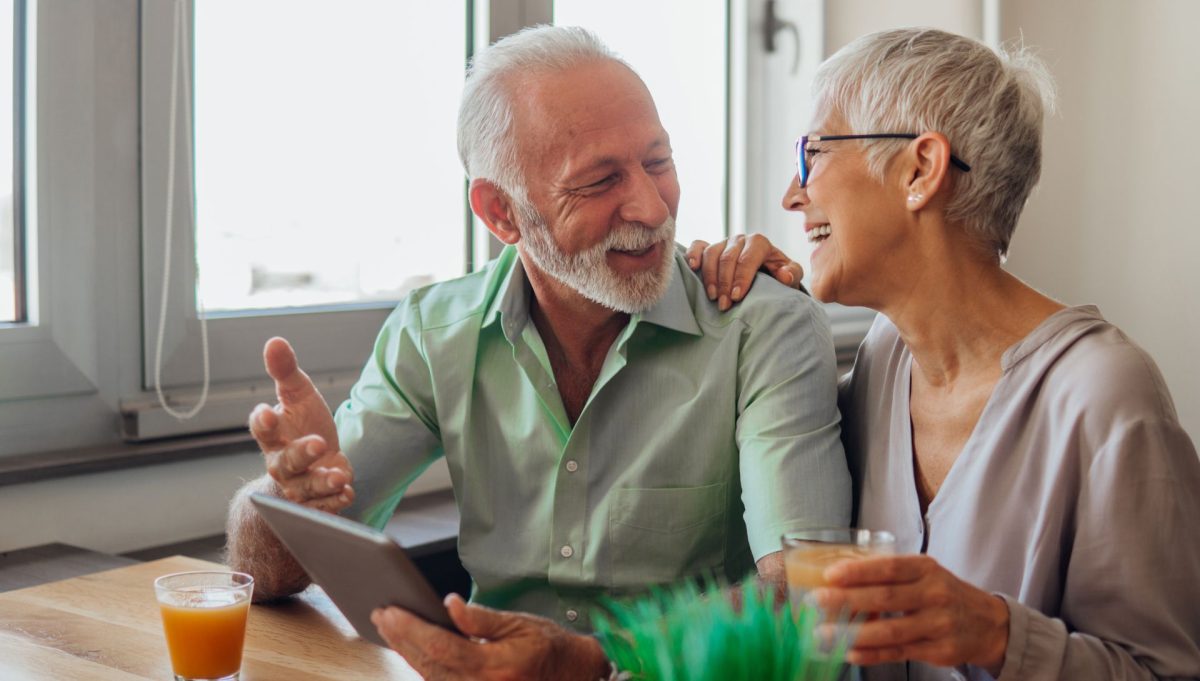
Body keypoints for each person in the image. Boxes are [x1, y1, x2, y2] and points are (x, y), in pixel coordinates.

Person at [225, 25, 851, 680]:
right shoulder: (432, 332)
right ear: (502, 213)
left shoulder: (764, 327)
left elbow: (804, 592)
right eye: (599, 181)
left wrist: (592, 664)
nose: (650, 204)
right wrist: (285, 495)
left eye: (658, 161)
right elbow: (267, 572)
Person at [690, 27, 1200, 681]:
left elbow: (1166, 671)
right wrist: (757, 306)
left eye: (810, 155)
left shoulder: (1105, 395)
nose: (792, 195)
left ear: (920, 170)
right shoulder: (883, 359)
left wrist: (998, 633)